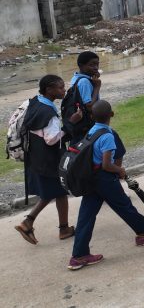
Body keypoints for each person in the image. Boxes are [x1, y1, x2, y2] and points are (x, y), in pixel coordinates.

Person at [68, 100, 144, 270]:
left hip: (91, 178)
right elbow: (106, 164)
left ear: (91, 116)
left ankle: (79, 255)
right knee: (124, 206)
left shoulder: (92, 131)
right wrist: (119, 170)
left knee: (86, 216)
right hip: (104, 178)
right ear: (111, 115)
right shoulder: (107, 135)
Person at [14, 75, 75, 245]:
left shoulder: (35, 102)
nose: (64, 90)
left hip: (36, 156)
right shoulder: (49, 113)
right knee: (59, 192)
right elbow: (51, 139)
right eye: (61, 88)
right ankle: (32, 223)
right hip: (49, 160)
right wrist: (69, 125)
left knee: (52, 193)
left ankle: (58, 227)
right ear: (49, 90)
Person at [67, 51, 102, 143]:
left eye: (97, 64)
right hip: (86, 124)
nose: (96, 68)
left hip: (80, 123)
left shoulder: (76, 77)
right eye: (92, 65)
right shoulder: (84, 82)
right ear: (81, 66)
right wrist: (97, 87)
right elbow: (89, 106)